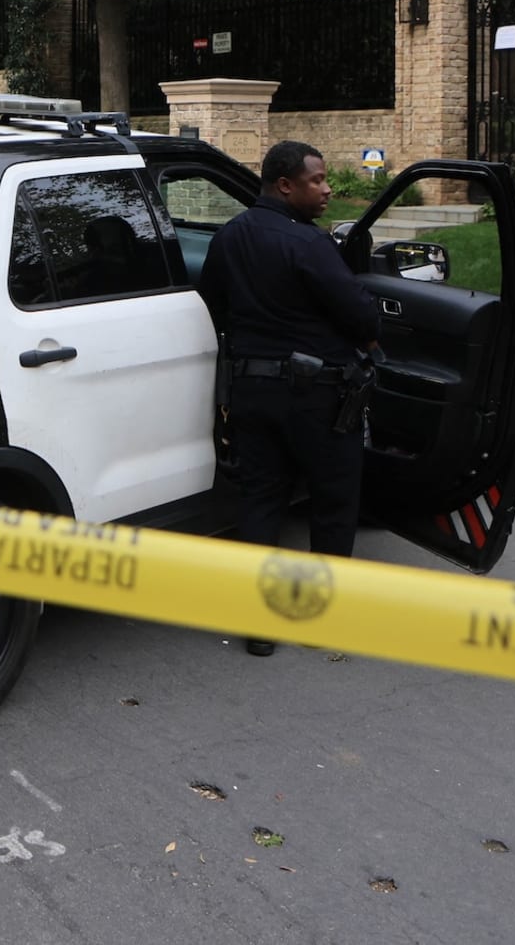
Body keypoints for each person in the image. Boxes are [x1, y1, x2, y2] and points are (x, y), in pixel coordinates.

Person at [198, 141, 381, 657]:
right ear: (285, 185)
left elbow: (214, 304)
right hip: (318, 397)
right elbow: (362, 317)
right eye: (317, 181)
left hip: (252, 392)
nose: (327, 190)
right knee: (333, 501)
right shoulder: (309, 244)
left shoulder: (229, 237)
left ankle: (259, 626)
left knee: (260, 501)